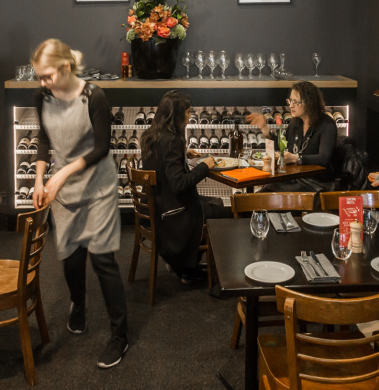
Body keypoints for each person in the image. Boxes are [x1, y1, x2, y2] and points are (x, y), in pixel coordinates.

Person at [30, 39, 128, 369]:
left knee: (102, 260)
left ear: (66, 67)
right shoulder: (43, 96)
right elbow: (44, 139)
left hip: (98, 186)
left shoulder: (94, 97)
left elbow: (102, 148)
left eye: (47, 75)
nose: (43, 83)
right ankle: (79, 303)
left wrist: (61, 173)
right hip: (65, 189)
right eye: (39, 77)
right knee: (71, 258)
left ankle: (120, 336)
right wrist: (39, 178)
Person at [140, 90, 231, 284]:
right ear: (176, 115)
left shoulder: (150, 135)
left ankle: (184, 264)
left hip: (154, 207)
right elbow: (180, 184)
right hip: (173, 213)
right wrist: (204, 167)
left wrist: (183, 154)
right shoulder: (172, 141)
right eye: (188, 112)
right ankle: (187, 269)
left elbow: (162, 163)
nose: (190, 116)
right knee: (225, 212)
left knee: (215, 202)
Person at [245, 80, 337, 192]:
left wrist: (296, 158)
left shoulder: (327, 125)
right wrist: (265, 129)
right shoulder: (296, 123)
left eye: (295, 102)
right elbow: (280, 148)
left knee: (267, 194)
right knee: (261, 193)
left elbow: (324, 159)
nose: (291, 105)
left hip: (315, 183)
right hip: (294, 178)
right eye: (290, 101)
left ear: (309, 103)